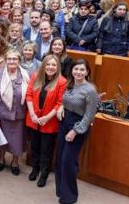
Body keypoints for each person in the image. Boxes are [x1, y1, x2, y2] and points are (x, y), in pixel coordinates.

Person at [55, 59, 100, 204]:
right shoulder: (70, 84)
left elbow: (89, 115)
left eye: (82, 70)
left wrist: (75, 131)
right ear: (72, 70)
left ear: (87, 72)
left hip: (78, 125)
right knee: (60, 158)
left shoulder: (91, 90)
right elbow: (66, 101)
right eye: (76, 69)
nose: (78, 72)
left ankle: (69, 197)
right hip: (64, 121)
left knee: (68, 162)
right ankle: (61, 191)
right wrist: (62, 107)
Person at [25, 55, 67, 187]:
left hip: (50, 122)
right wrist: (32, 113)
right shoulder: (36, 76)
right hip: (34, 119)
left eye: (54, 65)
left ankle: (44, 173)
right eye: (48, 64)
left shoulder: (62, 82)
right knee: (34, 147)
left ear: (58, 67)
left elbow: (60, 103)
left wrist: (47, 117)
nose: (50, 67)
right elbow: (29, 95)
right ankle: (35, 169)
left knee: (46, 150)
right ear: (44, 65)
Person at [0, 49, 30, 175]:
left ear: (19, 61)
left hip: (20, 115)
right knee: (2, 140)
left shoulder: (25, 75)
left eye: (14, 59)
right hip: (2, 115)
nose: (12, 61)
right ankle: (1, 159)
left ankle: (15, 162)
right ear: (5, 61)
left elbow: (31, 94)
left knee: (18, 141)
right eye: (9, 59)